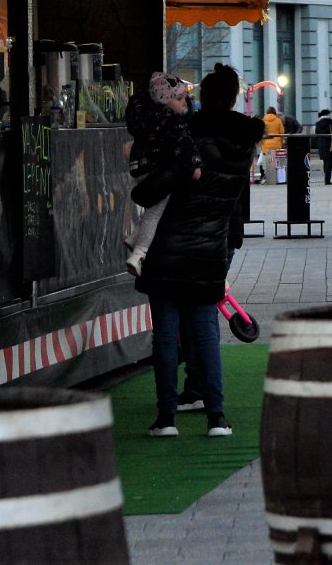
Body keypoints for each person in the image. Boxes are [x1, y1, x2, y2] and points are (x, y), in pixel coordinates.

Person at [137, 63, 256, 440]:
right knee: (205, 333)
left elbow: (152, 189)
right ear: (235, 98)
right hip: (210, 247)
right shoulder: (244, 147)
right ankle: (217, 417)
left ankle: (167, 417)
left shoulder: (185, 134)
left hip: (168, 245)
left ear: (203, 96)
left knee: (167, 334)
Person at [122, 72, 202, 276]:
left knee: (153, 210)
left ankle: (135, 238)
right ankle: (139, 254)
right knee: (155, 212)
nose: (184, 103)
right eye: (179, 99)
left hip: (142, 171)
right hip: (159, 173)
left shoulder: (147, 118)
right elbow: (186, 144)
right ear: (165, 100)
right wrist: (195, 165)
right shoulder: (172, 122)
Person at [314, 109, 332, 184]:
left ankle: (326, 177)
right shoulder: (330, 122)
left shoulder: (318, 123)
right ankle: (327, 180)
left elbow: (316, 133)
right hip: (330, 144)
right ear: (327, 114)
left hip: (321, 144)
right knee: (329, 162)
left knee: (325, 161)